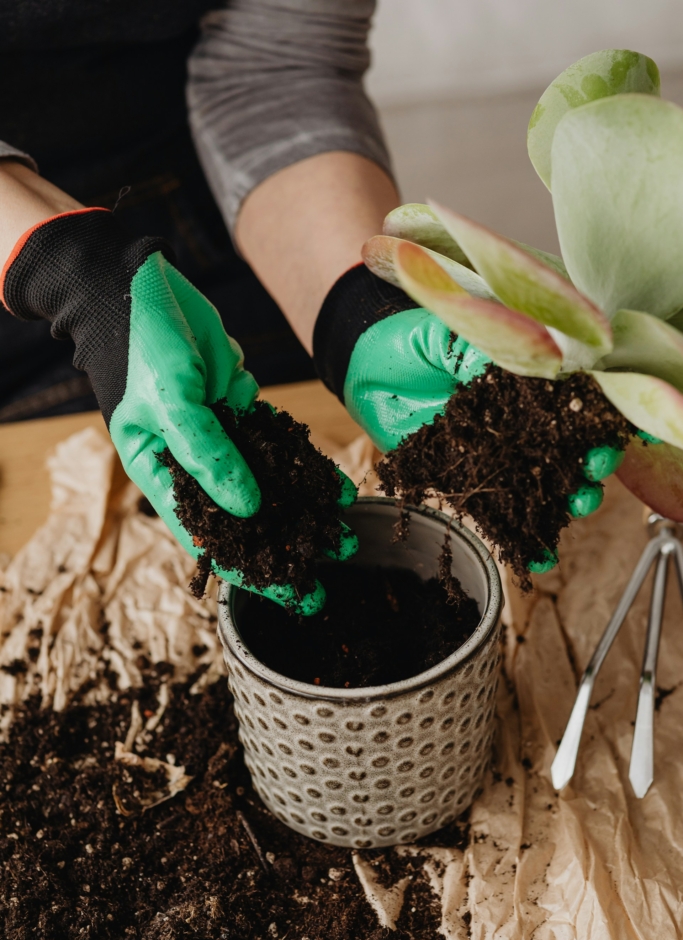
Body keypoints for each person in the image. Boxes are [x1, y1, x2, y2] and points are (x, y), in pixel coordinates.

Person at [0, 0, 616, 610]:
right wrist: (58, 263)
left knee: (267, 460)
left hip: (202, 208)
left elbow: (275, 66)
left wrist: (354, 309)